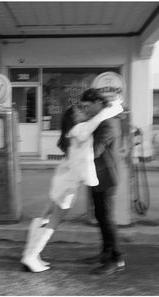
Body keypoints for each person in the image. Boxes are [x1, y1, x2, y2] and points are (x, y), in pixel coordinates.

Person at [20, 99, 123, 273]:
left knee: (45, 215)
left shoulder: (71, 133)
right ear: (74, 118)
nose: (84, 112)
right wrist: (115, 106)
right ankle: (31, 257)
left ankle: (29, 254)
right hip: (67, 185)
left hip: (61, 180)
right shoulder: (81, 130)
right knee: (53, 222)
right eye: (80, 112)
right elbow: (100, 118)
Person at [80, 88, 125, 275]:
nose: (85, 110)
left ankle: (117, 258)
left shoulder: (108, 123)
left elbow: (95, 150)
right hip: (96, 175)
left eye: (87, 106)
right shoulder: (98, 121)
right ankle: (105, 253)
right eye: (83, 107)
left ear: (99, 103)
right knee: (99, 215)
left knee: (106, 218)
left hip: (106, 177)